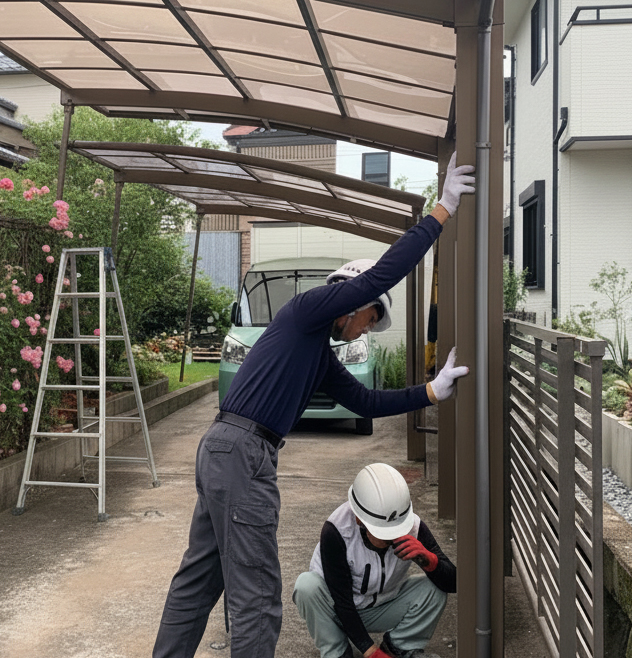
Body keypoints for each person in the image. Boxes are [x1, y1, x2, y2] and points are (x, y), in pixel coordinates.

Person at [153, 152, 473, 658]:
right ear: (352, 302)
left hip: (225, 450)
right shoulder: (307, 309)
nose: (366, 330)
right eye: (370, 319)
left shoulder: (315, 351)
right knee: (258, 595)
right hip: (243, 454)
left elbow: (364, 401)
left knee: (200, 577)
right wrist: (442, 211)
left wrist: (431, 392)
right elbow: (379, 276)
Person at [293, 463, 456, 658]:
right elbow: (343, 602)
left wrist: (430, 561)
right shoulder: (336, 531)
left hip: (380, 607)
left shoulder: (413, 526)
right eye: (383, 532)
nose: (391, 538)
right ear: (358, 519)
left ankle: (400, 647)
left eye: (396, 530)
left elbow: (453, 583)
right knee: (307, 586)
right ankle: (337, 651)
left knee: (434, 588)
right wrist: (371, 651)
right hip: (335, 612)